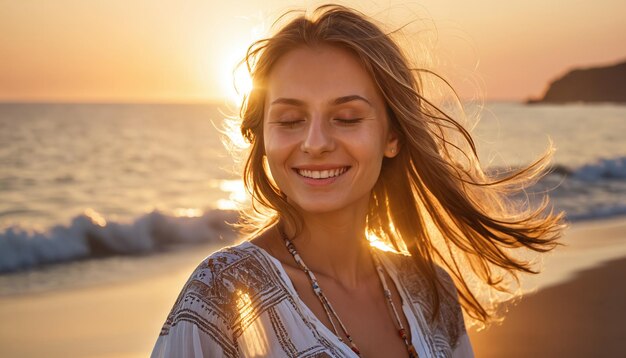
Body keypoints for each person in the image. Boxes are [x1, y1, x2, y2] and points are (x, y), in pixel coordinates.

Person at [151, 4, 563, 358]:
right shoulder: (220, 295)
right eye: (291, 120)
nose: (314, 143)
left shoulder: (430, 291)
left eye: (346, 118)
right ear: (263, 138)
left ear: (392, 135)